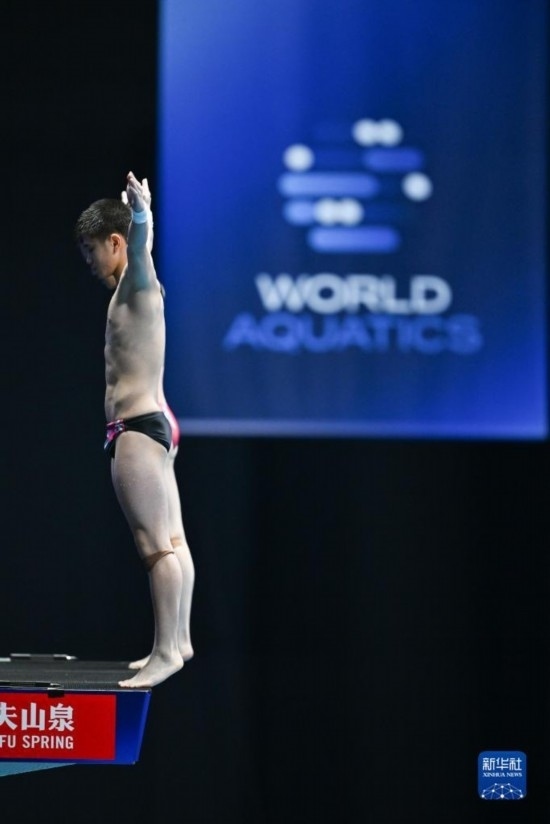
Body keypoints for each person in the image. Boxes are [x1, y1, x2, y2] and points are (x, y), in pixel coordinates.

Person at [75, 171, 194, 688]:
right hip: (156, 421)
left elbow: (141, 245)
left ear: (115, 242)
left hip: (138, 428)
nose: (88, 262)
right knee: (174, 540)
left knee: (155, 548)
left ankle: (165, 652)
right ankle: (178, 641)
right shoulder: (140, 286)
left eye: (91, 251)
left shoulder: (137, 279)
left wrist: (142, 212)